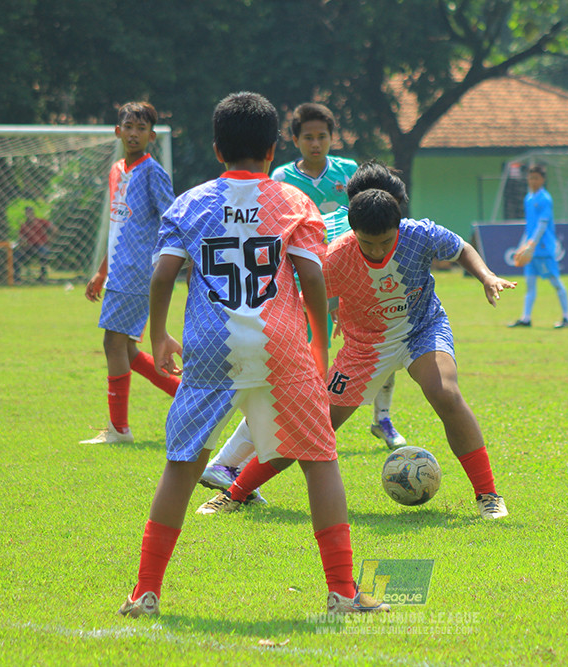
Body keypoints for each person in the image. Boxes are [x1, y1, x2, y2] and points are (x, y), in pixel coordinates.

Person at [117, 91, 389, 618]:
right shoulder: (293, 201)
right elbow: (312, 277)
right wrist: (319, 341)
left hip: (209, 347)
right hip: (281, 344)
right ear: (272, 150)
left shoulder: (189, 203)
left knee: (181, 466)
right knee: (320, 462)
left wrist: (159, 336)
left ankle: (145, 592)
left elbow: (163, 273)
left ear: (218, 150)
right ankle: (342, 593)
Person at [198, 164, 515, 520]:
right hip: (365, 348)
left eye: (385, 242)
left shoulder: (420, 234)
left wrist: (487, 276)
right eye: (368, 243)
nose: (377, 251)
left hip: (422, 329)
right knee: (313, 426)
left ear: (398, 226)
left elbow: (461, 248)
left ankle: (488, 495)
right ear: (354, 231)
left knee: (446, 393)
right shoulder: (337, 257)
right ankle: (235, 493)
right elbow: (306, 300)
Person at [196, 160, 412, 502]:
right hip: (292, 311)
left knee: (287, 395)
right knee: (298, 400)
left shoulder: (334, 219)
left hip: (265, 306)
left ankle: (228, 465)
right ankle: (226, 465)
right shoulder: (351, 231)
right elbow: (322, 274)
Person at [271, 102, 404, 450]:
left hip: (355, 272)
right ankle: (305, 415)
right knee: (307, 353)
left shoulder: (348, 172)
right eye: (308, 137)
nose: (316, 144)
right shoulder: (282, 179)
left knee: (382, 341)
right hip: (303, 278)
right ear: (295, 140)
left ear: (332, 138)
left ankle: (383, 418)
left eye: (322, 136)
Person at [81, 102, 180, 445]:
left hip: (139, 271)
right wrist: (101, 271)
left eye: (141, 128)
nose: (134, 133)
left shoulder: (153, 172)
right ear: (117, 131)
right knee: (127, 349)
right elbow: (118, 227)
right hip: (118, 272)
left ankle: (119, 430)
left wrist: (169, 265)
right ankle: (188, 395)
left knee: (112, 342)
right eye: (128, 126)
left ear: (151, 136)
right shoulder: (115, 170)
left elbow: (172, 219)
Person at [508, 165, 568, 329]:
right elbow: (529, 226)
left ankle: (566, 318)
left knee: (555, 282)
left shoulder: (545, 199)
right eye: (530, 178)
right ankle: (526, 318)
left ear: (542, 180)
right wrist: (522, 246)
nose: (533, 181)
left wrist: (531, 244)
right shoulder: (528, 198)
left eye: (536, 178)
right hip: (531, 249)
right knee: (530, 285)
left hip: (543, 248)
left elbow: (542, 225)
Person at [13, 207, 52, 282]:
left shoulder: (41, 222)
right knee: (15, 256)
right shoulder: (24, 225)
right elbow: (21, 239)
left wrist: (50, 239)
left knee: (44, 252)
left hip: (40, 245)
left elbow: (53, 228)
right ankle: (17, 277)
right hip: (29, 246)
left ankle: (42, 276)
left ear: (33, 213)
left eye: (30, 213)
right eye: (27, 213)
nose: (29, 215)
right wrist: (22, 243)